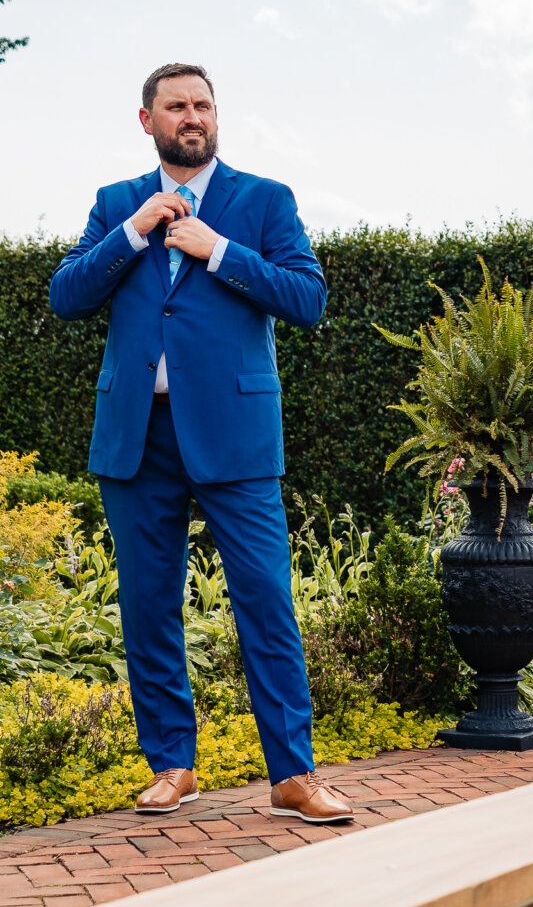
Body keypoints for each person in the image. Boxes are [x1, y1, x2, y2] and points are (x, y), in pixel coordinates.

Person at [48, 62, 352, 823]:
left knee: (265, 600)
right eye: (177, 105)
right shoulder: (117, 205)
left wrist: (218, 250)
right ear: (147, 120)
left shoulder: (263, 200)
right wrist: (135, 231)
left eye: (203, 105)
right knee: (149, 607)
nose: (193, 116)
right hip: (136, 438)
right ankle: (172, 765)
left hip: (234, 439)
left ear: (216, 116)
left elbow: (307, 298)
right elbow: (69, 295)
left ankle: (293, 774)